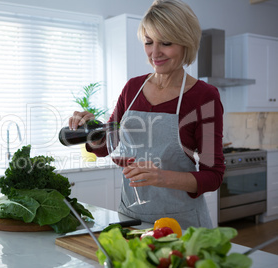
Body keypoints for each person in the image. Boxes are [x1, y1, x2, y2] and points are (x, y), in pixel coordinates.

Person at [68, 0, 225, 229]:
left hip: (181, 225)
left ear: (186, 43)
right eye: (149, 42)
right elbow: (105, 147)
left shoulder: (204, 96)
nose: (155, 52)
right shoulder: (133, 88)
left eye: (166, 43)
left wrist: (162, 177)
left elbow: (214, 176)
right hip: (131, 219)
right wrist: (90, 129)